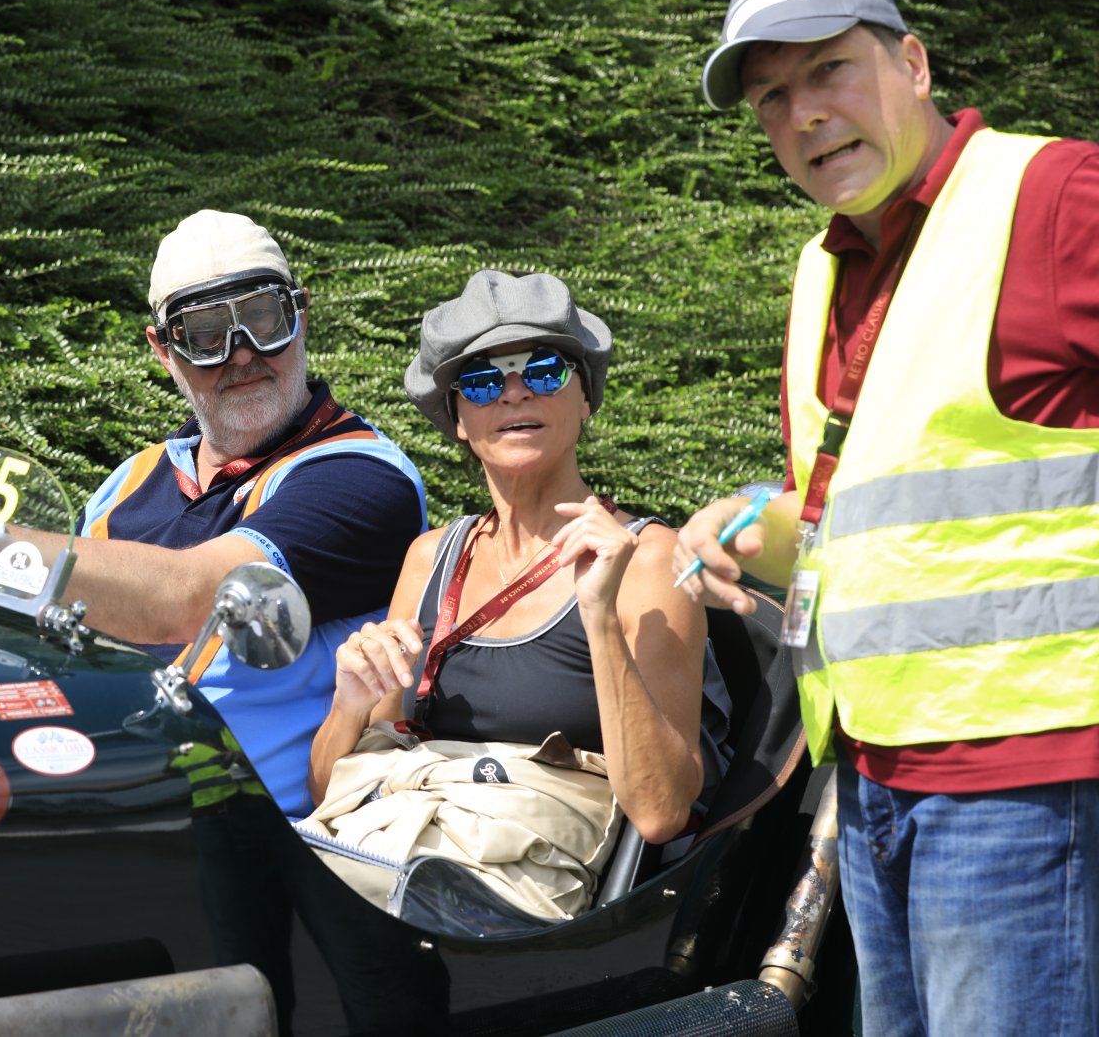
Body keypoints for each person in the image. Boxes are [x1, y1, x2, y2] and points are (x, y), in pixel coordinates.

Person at [677, 0, 1099, 1032]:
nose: (805, 113)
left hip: (1027, 775)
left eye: (829, 69)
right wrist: (744, 524)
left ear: (913, 63)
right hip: (869, 782)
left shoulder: (1051, 196)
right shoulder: (823, 269)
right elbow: (858, 513)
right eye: (773, 96)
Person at [307, 269, 732, 917]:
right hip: (386, 849)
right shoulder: (430, 559)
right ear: (457, 418)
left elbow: (661, 812)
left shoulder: (646, 560)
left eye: (544, 370)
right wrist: (348, 703)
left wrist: (600, 619)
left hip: (509, 891)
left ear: (585, 397)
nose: (513, 392)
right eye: (481, 380)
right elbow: (325, 795)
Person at [73, 208, 426, 819]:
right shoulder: (127, 481)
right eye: (205, 333)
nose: (241, 355)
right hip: (100, 796)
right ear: (163, 350)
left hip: (251, 831)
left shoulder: (364, 478)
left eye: (263, 319)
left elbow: (189, 598)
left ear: (301, 315)